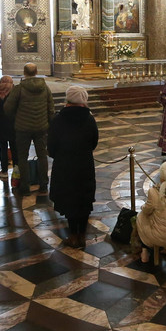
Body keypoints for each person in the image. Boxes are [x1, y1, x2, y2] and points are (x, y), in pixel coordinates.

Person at [48, 86, 98, 247]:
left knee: (69, 198)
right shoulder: (89, 119)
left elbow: (51, 145)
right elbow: (94, 141)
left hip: (64, 165)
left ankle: (73, 235)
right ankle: (82, 235)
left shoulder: (58, 119)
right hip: (84, 164)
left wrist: (59, 155)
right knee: (83, 199)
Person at [4, 63, 55, 195]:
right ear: (36, 72)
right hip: (41, 127)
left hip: (23, 128)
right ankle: (43, 185)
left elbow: (8, 108)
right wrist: (50, 124)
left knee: (22, 157)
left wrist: (16, 118)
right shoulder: (45, 88)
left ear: (24, 72)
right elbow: (51, 109)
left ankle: (25, 187)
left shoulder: (19, 88)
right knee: (42, 156)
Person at [130, 161, 166, 263]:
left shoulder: (154, 192)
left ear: (162, 177)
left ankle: (144, 251)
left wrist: (143, 207)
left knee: (141, 217)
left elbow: (146, 210)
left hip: (161, 237)